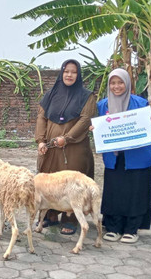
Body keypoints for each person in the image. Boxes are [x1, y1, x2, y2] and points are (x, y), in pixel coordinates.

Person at [35, 59, 96, 235]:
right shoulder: (51, 94)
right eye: (66, 71)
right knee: (50, 181)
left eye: (73, 72)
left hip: (74, 147)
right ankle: (50, 216)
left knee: (72, 182)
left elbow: (85, 119)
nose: (69, 75)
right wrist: (40, 140)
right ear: (62, 73)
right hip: (51, 147)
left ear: (78, 75)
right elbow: (41, 117)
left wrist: (67, 138)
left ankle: (71, 219)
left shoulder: (86, 96)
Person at [95, 68, 151, 244]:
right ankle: (113, 227)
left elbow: (147, 128)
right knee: (114, 192)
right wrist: (96, 129)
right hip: (114, 158)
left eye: (120, 82)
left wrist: (150, 121)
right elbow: (101, 127)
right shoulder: (103, 105)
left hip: (136, 157)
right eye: (113, 83)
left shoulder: (141, 104)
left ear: (127, 84)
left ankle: (131, 229)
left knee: (135, 191)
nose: (116, 86)